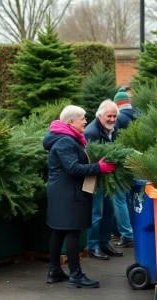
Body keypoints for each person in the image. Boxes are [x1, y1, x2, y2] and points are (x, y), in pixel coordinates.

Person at [43, 105, 116, 288]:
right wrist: (99, 168)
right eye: (83, 118)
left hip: (63, 193)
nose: (85, 121)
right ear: (71, 122)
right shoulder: (65, 141)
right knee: (72, 231)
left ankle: (55, 271)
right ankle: (75, 275)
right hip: (68, 194)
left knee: (59, 231)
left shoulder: (66, 138)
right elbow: (73, 168)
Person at [84, 99, 123, 259]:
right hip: (95, 178)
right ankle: (93, 246)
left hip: (108, 177)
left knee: (109, 211)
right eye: (109, 116)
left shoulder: (113, 129)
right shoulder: (91, 132)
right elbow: (90, 157)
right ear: (100, 115)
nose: (112, 119)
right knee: (97, 212)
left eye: (115, 116)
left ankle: (104, 242)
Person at [112, 87, 139, 248]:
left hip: (122, 161)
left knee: (119, 197)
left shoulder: (119, 118)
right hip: (137, 161)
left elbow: (115, 141)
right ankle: (133, 231)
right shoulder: (139, 115)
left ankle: (126, 234)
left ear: (117, 104)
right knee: (130, 197)